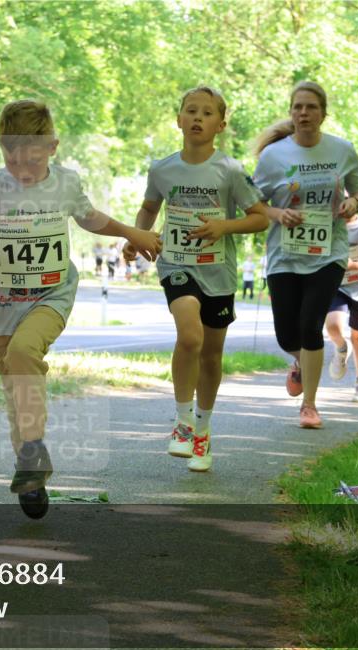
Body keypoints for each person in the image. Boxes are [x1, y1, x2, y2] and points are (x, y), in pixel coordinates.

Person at [0, 99, 161, 512]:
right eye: (12, 157)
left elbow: (91, 218)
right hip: (4, 302)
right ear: (2, 149)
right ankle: (31, 468)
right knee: (14, 382)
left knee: (24, 353)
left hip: (52, 293)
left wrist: (134, 232)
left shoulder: (65, 184)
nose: (22, 168)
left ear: (53, 147)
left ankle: (32, 451)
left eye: (32, 157)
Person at [124, 86, 268, 472]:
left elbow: (260, 216)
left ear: (219, 125)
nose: (198, 118)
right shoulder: (163, 168)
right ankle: (183, 422)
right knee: (190, 336)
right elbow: (149, 207)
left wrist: (224, 226)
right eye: (191, 111)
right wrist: (136, 238)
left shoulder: (232, 171)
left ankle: (203, 428)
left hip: (218, 271)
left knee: (211, 355)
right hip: (177, 264)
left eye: (206, 113)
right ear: (179, 120)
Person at [253, 80, 358, 429]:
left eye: (311, 107)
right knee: (288, 335)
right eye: (297, 107)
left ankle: (309, 405)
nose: (304, 113)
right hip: (284, 254)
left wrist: (352, 202)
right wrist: (277, 214)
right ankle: (302, 362)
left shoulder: (342, 150)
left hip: (327, 252)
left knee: (310, 324)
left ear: (323, 113)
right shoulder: (274, 157)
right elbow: (253, 203)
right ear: (291, 113)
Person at [325, 213, 358, 402]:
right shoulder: (327, 224)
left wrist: (352, 264)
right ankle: (341, 348)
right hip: (337, 286)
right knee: (333, 326)